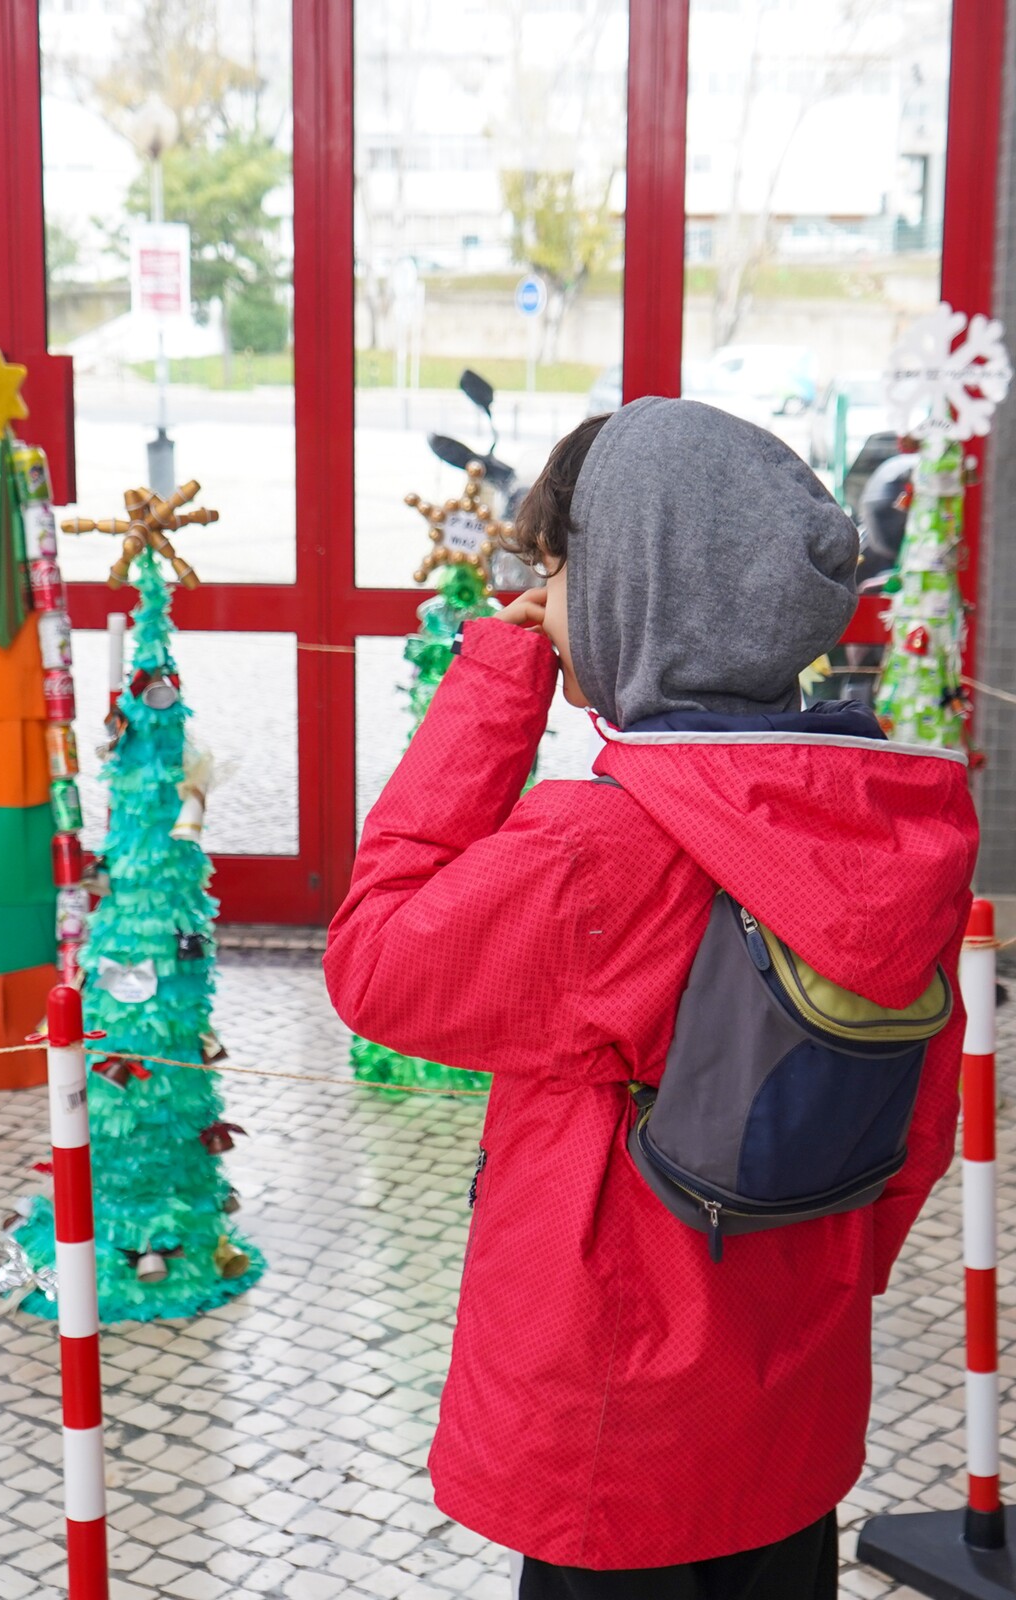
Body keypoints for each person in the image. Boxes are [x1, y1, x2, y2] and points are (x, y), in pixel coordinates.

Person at [324, 397, 978, 1600]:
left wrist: (494, 679)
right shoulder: (886, 823)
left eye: (561, 567)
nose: (545, 595)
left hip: (616, 1441)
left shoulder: (607, 847)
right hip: (787, 1413)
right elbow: (913, 1134)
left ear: (634, 585)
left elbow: (373, 964)